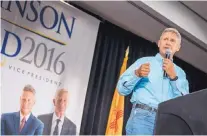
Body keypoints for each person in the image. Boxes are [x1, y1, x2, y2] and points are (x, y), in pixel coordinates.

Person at [117, 28, 189, 135]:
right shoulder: (144, 62)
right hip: (143, 117)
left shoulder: (180, 73)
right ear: (159, 43)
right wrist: (136, 74)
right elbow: (121, 89)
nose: (168, 42)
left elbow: (184, 102)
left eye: (172, 40)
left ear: (178, 47)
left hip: (167, 122)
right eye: (165, 39)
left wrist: (174, 77)